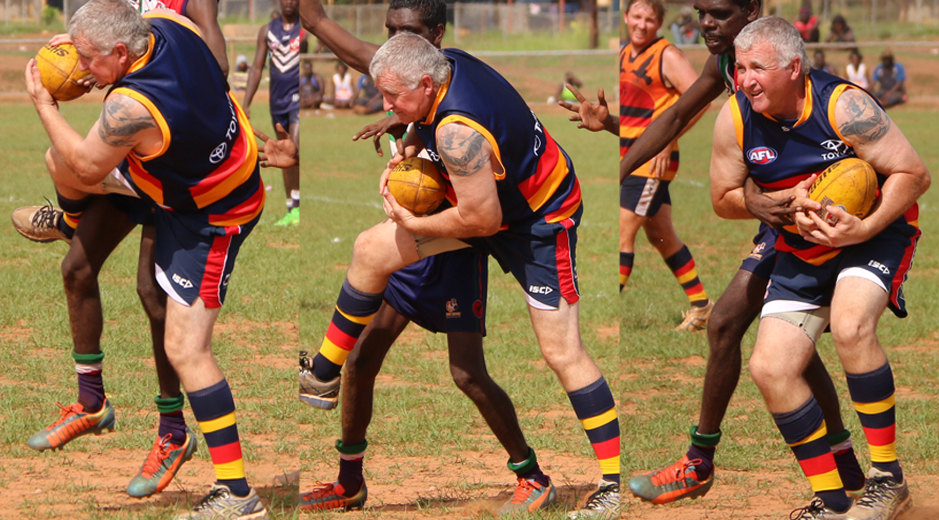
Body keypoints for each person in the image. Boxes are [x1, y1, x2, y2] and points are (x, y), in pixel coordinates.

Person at [305, 31, 622, 520]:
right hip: (488, 201)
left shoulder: (458, 134)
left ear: (428, 84)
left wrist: (413, 222)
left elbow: (482, 222)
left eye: (394, 97)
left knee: (562, 350)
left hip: (538, 219)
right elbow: (467, 192)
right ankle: (323, 373)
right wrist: (410, 142)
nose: (385, 105)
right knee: (370, 249)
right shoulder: (447, 62)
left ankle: (613, 483)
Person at [565, 0, 865, 505]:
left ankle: (701, 462)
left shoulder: (778, 60)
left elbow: (808, 136)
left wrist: (763, 195)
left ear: (751, 10)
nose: (706, 22)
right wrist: (616, 140)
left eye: (719, 12)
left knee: (730, 323)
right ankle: (841, 457)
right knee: (783, 334)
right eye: (701, 10)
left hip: (824, 210)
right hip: (782, 212)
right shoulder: (726, 61)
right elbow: (679, 114)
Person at [22, 1, 268, 517]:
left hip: (212, 211)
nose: (82, 69)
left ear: (120, 51)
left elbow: (90, 163)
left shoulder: (131, 108)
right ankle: (70, 223)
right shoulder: (166, 26)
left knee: (186, 346)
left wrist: (45, 101)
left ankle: (237, 495)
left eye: (88, 60)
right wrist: (77, 53)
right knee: (58, 172)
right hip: (172, 176)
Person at [711, 16, 928, 518]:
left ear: (793, 67)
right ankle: (831, 500)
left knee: (852, 327)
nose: (745, 79)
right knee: (770, 368)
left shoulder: (844, 105)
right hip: (800, 247)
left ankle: (887, 479)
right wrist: (769, 203)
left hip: (872, 235)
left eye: (757, 68)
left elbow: (913, 173)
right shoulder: (736, 117)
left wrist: (864, 228)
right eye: (740, 68)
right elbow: (723, 198)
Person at [618, 0, 714, 330]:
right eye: (637, 17)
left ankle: (603, 320)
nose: (642, 24)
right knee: (661, 235)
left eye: (649, 19)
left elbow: (700, 99)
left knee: (622, 232)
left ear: (659, 23)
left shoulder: (667, 55)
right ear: (627, 17)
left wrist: (669, 139)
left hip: (651, 164)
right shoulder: (622, 53)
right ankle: (701, 306)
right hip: (629, 159)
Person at [243, 0, 302, 227]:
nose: (289, 2)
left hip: (298, 100)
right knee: (284, 156)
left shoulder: (305, 29)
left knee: (293, 148)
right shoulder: (267, 31)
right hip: (276, 103)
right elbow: (257, 67)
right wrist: (246, 102)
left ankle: (297, 209)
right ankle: (292, 208)